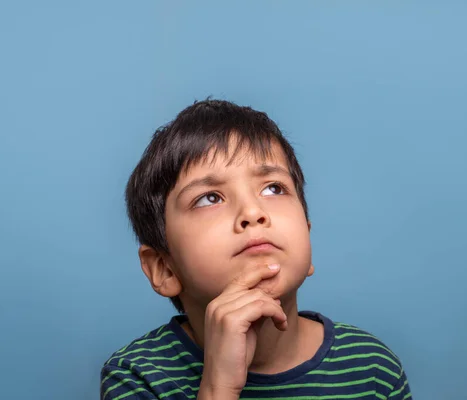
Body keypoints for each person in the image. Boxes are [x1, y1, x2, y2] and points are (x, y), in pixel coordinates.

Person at [100, 99, 412, 399]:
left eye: (273, 188)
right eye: (210, 197)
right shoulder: (137, 377)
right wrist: (218, 389)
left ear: (307, 236)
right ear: (164, 269)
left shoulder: (372, 368)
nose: (252, 211)